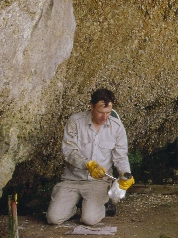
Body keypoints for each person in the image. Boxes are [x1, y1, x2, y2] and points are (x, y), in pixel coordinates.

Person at [46, 89, 135, 226]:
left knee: (89, 220)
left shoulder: (117, 127)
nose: (104, 117)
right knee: (53, 219)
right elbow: (69, 151)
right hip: (72, 179)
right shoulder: (75, 121)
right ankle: (74, 207)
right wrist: (89, 165)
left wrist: (125, 174)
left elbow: (121, 157)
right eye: (100, 112)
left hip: (98, 182)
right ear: (91, 106)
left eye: (108, 112)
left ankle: (102, 204)